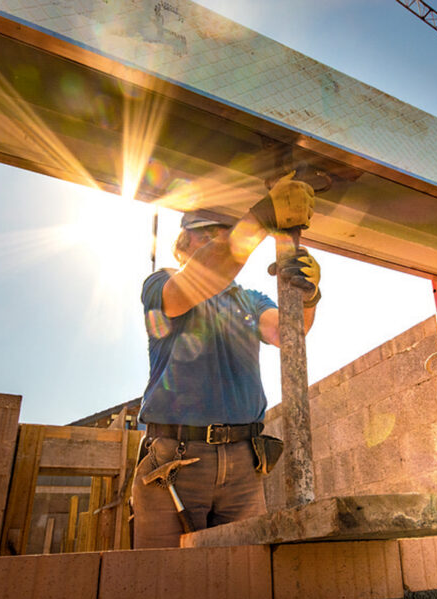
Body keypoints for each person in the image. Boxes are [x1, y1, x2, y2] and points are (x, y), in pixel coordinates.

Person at [132, 173, 322, 548]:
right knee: (162, 583)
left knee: (243, 581)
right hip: (174, 460)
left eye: (226, 232)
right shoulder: (162, 285)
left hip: (242, 462)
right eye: (211, 235)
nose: (224, 241)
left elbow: (289, 333)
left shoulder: (249, 300)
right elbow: (202, 276)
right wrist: (262, 217)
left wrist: (309, 295)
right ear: (184, 244)